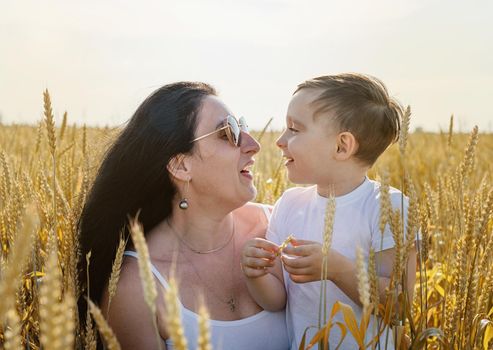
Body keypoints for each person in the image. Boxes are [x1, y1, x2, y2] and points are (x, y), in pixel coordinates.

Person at [78, 82, 289, 349]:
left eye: (243, 126)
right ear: (181, 165)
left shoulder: (280, 227)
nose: (253, 144)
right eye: (229, 133)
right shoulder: (137, 288)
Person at [241, 73, 417, 349]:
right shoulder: (289, 204)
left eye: (295, 129)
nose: (280, 140)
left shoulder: (387, 207)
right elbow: (276, 301)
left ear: (341, 146)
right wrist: (256, 273)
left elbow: (398, 306)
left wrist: (336, 269)